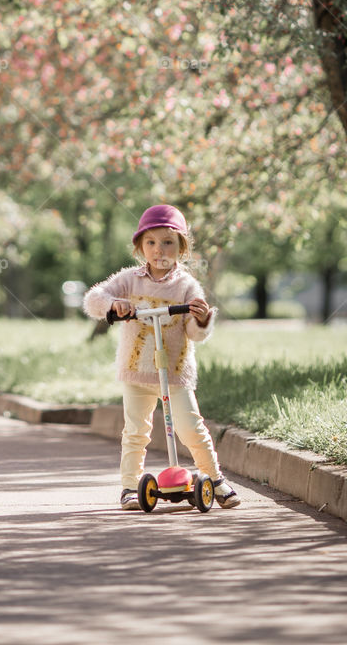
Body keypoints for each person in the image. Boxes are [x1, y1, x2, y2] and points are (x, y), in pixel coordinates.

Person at [83, 203, 241, 511]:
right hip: (136, 371)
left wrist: (202, 318)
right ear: (140, 246)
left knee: (191, 428)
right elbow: (93, 300)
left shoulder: (186, 285)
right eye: (151, 242)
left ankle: (215, 479)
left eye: (168, 242)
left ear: (181, 248)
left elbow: (194, 333)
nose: (159, 250)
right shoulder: (128, 280)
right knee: (135, 431)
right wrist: (115, 304)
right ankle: (130, 485)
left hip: (175, 372)